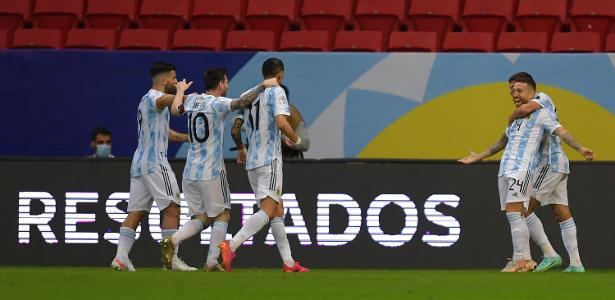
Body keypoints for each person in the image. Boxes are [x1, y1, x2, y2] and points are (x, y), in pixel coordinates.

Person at [459, 72, 594, 272]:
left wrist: (581, 148)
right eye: (511, 90)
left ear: (531, 89)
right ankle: (576, 263)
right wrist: (477, 156)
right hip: (556, 164)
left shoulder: (542, 101)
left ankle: (542, 255)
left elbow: (559, 129)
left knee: (523, 209)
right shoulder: (519, 120)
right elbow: (500, 143)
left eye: (517, 89)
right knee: (561, 212)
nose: (514, 93)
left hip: (547, 164)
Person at [160, 68, 279, 271]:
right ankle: (212, 261)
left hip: (190, 171)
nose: (228, 85)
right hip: (212, 170)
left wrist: (180, 90)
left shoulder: (193, 100)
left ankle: (173, 240)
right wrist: (262, 86)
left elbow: (174, 109)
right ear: (222, 84)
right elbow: (241, 102)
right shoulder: (218, 103)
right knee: (223, 214)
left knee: (201, 217)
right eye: (227, 82)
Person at [221, 58, 309, 272]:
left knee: (277, 210)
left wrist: (241, 148)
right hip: (270, 160)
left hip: (252, 161)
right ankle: (230, 245)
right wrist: (296, 141)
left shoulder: (251, 93)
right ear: (280, 74)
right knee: (268, 209)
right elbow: (281, 122)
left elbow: (235, 129)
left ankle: (288, 263)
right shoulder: (277, 91)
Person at [110, 61, 191, 272]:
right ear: (164, 80)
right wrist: (183, 93)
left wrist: (186, 137)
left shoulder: (145, 101)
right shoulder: (156, 98)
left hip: (139, 163)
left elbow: (164, 132)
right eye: (174, 78)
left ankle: (120, 258)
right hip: (155, 162)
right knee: (172, 208)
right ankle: (170, 261)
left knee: (136, 213)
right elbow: (171, 103)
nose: (176, 81)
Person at [279, 84, 310, 158]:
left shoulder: (293, 116)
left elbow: (304, 143)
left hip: (288, 163)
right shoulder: (259, 114)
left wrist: (284, 138)